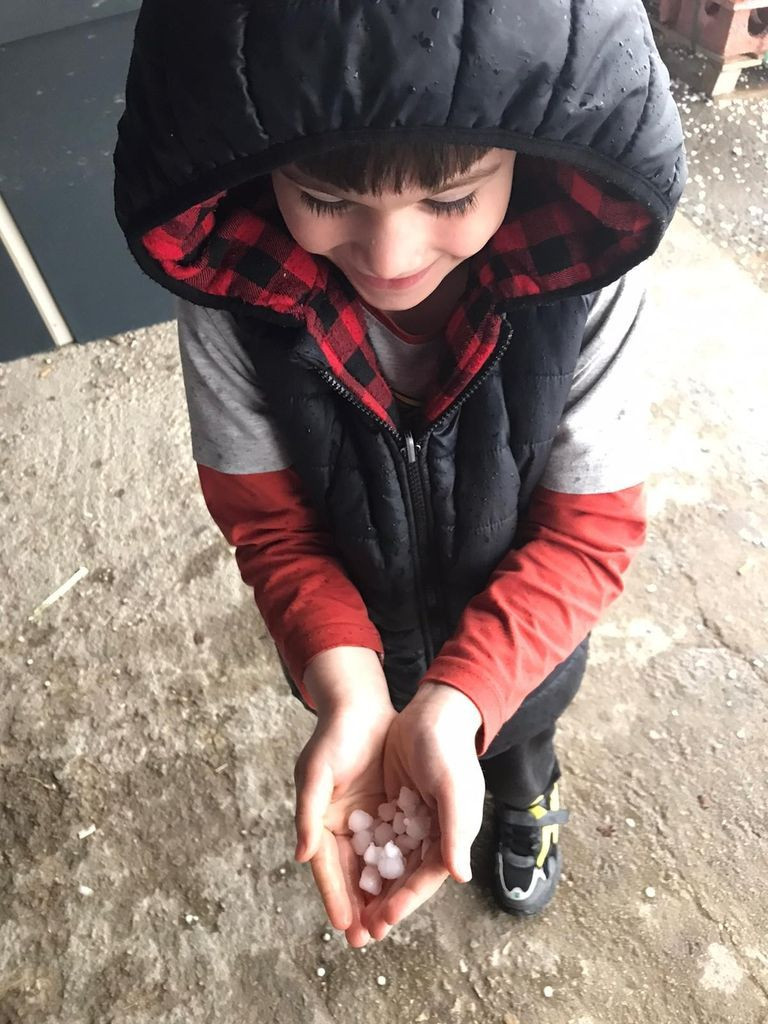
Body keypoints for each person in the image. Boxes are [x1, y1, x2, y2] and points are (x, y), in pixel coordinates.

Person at [114, 0, 686, 948]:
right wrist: (348, 688)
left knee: (521, 734)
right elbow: (272, 526)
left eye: (452, 198)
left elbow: (590, 530)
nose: (391, 256)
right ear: (266, 173)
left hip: (526, 647)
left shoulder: (589, 279)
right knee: (446, 734)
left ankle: (527, 792)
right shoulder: (233, 292)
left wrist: (464, 701)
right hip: (354, 628)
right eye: (329, 201)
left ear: (527, 159)